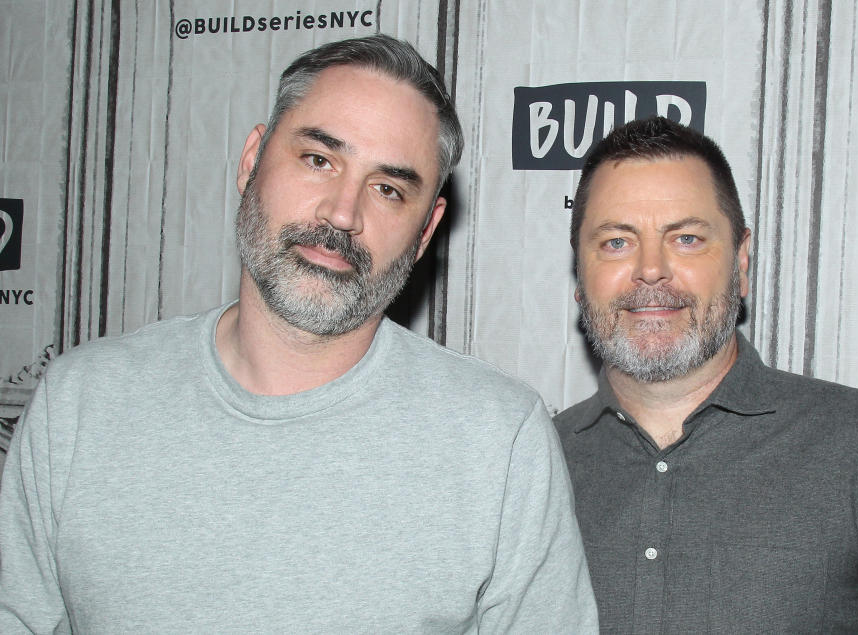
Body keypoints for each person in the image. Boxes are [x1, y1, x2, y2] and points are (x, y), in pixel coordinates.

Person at [0, 35, 597, 632]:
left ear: (425, 231)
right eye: (319, 160)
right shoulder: (79, 405)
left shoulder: (499, 442)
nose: (342, 213)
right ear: (251, 160)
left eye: (388, 188)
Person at [555, 115, 858, 632]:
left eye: (686, 239)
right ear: (579, 272)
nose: (650, 269)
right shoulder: (534, 465)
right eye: (616, 242)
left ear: (742, 262)